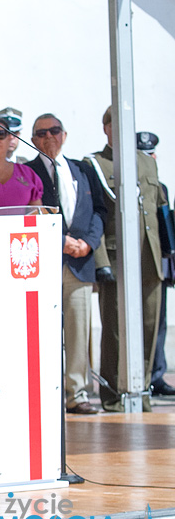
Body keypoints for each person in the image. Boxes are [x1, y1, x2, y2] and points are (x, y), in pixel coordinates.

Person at [25, 114, 106, 415]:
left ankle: (77, 393)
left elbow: (99, 210)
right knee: (41, 332)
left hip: (79, 262)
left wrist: (88, 243)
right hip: (43, 263)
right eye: (41, 132)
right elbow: (27, 213)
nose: (49, 137)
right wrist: (59, 240)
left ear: (65, 134)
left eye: (54, 131)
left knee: (78, 330)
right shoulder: (26, 171)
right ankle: (44, 393)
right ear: (33, 139)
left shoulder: (82, 169)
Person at [88, 107, 165, 412]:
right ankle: (112, 392)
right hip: (116, 255)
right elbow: (95, 212)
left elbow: (157, 210)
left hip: (149, 255)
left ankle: (142, 389)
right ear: (105, 127)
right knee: (115, 329)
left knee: (149, 324)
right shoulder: (95, 163)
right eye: (115, 124)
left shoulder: (147, 162)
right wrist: (100, 260)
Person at [138, 133, 175, 397]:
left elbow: (166, 230)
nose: (150, 159)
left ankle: (157, 374)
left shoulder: (161, 187)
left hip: (158, 261)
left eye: (152, 154)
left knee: (158, 322)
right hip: (134, 261)